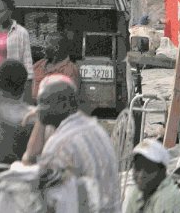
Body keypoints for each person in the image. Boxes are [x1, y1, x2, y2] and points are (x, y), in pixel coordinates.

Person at [33, 75, 120, 212]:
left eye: (44, 103)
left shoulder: (59, 143)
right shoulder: (94, 128)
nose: (38, 110)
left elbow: (50, 201)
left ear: (63, 105)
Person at [127, 139, 180, 213]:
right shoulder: (135, 194)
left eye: (149, 168)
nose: (141, 175)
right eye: (138, 167)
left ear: (162, 172)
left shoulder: (167, 198)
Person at [0, 0, 33, 80]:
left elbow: (27, 61)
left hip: (12, 81)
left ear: (10, 11)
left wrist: (28, 84)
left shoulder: (21, 32)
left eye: (0, 11)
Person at [31, 34, 78, 100]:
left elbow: (69, 98)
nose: (43, 47)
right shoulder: (38, 64)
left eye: (46, 44)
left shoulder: (69, 69)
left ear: (56, 48)